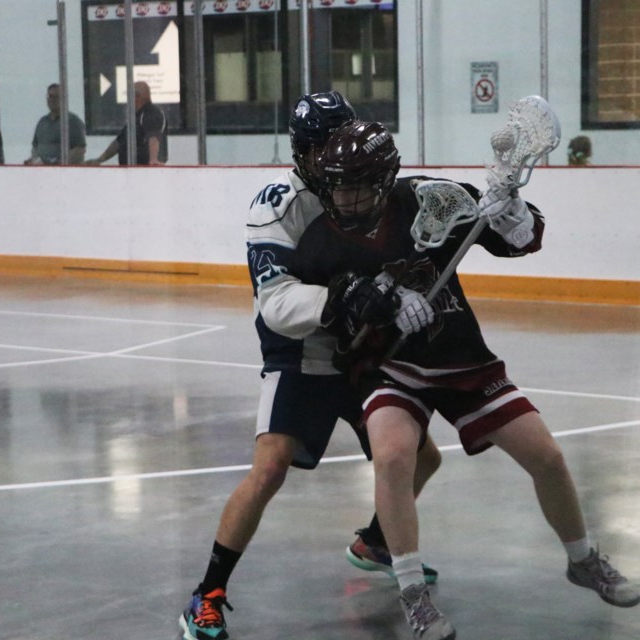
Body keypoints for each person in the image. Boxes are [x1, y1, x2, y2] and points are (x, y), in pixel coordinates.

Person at [281, 119, 640, 639]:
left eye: (357, 184)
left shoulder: (434, 199)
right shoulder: (320, 243)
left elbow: (522, 240)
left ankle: (581, 559)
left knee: (547, 456)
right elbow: (321, 318)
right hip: (392, 368)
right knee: (394, 455)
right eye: (337, 184)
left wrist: (511, 211)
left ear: (385, 180)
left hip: (462, 359)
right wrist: (370, 308)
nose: (344, 196)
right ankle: (412, 592)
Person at [178, 92, 442, 640]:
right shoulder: (277, 205)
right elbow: (276, 303)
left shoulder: (370, 183)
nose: (336, 155)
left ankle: (374, 541)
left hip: (362, 350)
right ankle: (207, 593)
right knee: (270, 466)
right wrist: (340, 300)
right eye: (322, 146)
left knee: (421, 458)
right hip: (303, 351)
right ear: (302, 153)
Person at [86, 81, 167, 166]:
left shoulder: (151, 113)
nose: (128, 100)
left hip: (143, 171)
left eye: (129, 96)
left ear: (137, 96)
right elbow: (118, 143)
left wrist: (153, 159)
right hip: (131, 170)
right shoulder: (137, 117)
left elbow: (153, 137)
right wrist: (100, 160)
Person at [24, 83, 86, 165]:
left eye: (56, 97)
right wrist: (34, 160)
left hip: (64, 172)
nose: (52, 100)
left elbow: (80, 150)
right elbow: (35, 147)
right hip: (41, 172)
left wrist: (58, 163)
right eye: (50, 96)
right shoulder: (42, 122)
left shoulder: (72, 121)